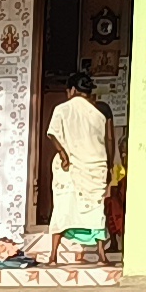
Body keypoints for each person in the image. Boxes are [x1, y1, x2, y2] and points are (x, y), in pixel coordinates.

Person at [45, 71, 110, 238]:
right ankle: (101, 254)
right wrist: (109, 166)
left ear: (72, 90)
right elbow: (108, 139)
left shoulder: (62, 109)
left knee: (63, 208)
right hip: (95, 167)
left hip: (69, 167)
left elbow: (52, 133)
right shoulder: (100, 111)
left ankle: (53, 256)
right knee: (95, 210)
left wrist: (63, 154)